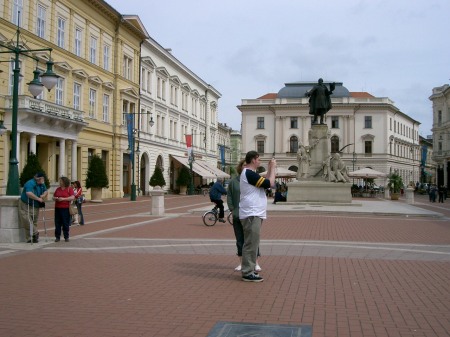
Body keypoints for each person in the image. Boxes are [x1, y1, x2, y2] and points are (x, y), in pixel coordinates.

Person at [239, 151, 276, 282]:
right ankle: (248, 271)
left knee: (253, 242)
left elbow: (265, 181)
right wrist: (274, 168)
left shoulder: (251, 174)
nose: (260, 161)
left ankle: (250, 269)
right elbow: (270, 183)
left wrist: (270, 168)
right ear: (254, 160)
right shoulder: (248, 173)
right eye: (258, 159)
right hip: (251, 213)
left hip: (254, 213)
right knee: (251, 243)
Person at [227, 160, 261, 272]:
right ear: (240, 167)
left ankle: (255, 262)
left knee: (252, 238)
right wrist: (233, 209)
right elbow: (230, 197)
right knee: (240, 239)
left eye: (247, 165)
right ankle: (241, 263)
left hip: (250, 214)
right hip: (238, 214)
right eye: (244, 165)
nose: (246, 167)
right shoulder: (234, 182)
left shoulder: (253, 179)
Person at [19, 172, 48, 243]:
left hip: (36, 205)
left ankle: (31, 238)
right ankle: (35, 232)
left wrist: (43, 195)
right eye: (42, 178)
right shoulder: (30, 183)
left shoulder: (42, 184)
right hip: (26, 204)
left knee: (34, 221)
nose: (43, 179)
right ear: (38, 179)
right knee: (27, 220)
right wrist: (38, 198)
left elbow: (46, 191)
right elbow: (28, 193)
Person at [52, 177, 75, 242]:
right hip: (57, 208)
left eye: (61, 181)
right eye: (60, 181)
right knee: (57, 223)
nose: (60, 182)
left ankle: (66, 236)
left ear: (65, 182)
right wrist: (55, 198)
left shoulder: (69, 189)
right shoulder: (58, 189)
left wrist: (63, 199)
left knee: (65, 223)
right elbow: (53, 196)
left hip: (65, 208)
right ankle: (57, 237)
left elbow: (72, 197)